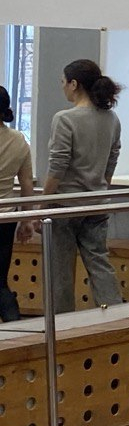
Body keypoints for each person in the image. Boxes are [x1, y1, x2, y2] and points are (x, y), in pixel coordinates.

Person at [43, 59, 124, 313]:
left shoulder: (64, 119)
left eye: (63, 82)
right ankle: (115, 316)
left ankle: (62, 324)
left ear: (74, 84)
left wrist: (43, 201)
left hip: (65, 205)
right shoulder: (111, 118)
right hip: (97, 204)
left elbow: (57, 166)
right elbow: (112, 160)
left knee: (60, 270)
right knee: (99, 263)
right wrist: (100, 186)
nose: (62, 87)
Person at [0, 86, 35, 322]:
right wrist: (26, 220)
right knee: (0, 280)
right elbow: (26, 184)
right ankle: (15, 328)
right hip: (6, 218)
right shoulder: (18, 140)